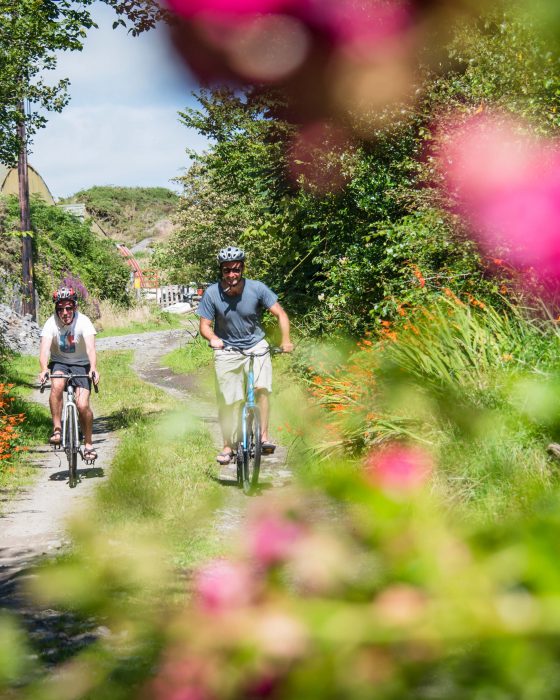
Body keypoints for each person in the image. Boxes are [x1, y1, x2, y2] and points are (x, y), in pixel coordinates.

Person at [197, 246, 294, 465]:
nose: (232, 275)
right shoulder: (212, 293)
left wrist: (286, 340)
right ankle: (227, 446)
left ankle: (263, 437)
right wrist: (213, 338)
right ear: (221, 271)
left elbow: (281, 314)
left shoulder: (257, 288)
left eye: (236, 270)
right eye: (227, 270)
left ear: (242, 268)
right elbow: (204, 325)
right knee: (228, 400)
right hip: (227, 348)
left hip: (256, 345)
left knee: (262, 389)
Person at [38, 286, 100, 461]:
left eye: (68, 308)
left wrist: (94, 368)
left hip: (82, 364)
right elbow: (44, 351)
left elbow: (91, 348)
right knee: (56, 384)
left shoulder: (84, 322)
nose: (64, 312)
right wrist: (44, 369)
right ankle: (57, 430)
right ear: (56, 310)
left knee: (82, 405)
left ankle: (88, 444)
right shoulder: (51, 323)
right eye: (60, 309)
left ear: (75, 307)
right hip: (60, 362)